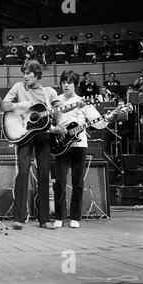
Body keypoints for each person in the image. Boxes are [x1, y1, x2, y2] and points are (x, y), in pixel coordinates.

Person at [1, 60, 58, 230]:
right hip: (24, 135)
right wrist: (20, 105)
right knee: (23, 174)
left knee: (44, 175)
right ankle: (18, 218)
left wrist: (61, 110)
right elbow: (4, 105)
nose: (25, 77)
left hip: (44, 136)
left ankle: (44, 219)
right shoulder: (18, 87)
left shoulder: (48, 92)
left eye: (28, 73)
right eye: (24, 73)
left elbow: (57, 110)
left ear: (37, 74)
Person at [51, 70, 112, 229]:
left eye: (69, 82)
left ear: (75, 85)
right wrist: (55, 130)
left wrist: (106, 119)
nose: (66, 85)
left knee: (78, 183)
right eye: (64, 82)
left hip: (79, 145)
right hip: (61, 146)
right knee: (60, 183)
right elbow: (49, 123)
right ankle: (59, 216)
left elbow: (97, 123)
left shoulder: (83, 102)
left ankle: (75, 217)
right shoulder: (56, 101)